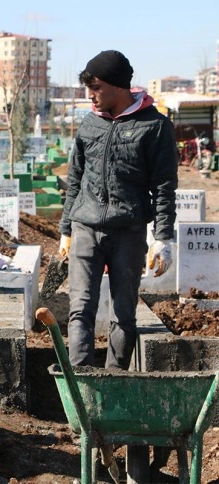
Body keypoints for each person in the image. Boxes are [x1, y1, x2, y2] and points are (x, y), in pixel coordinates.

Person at [58, 50, 178, 370]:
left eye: (96, 87)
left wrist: (164, 238)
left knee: (123, 313)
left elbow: (165, 186)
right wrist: (66, 229)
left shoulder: (154, 126)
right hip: (85, 226)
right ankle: (81, 380)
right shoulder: (89, 124)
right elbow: (75, 179)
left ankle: (114, 379)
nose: (91, 96)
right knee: (80, 308)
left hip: (129, 230)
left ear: (118, 86)